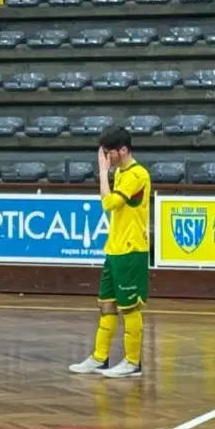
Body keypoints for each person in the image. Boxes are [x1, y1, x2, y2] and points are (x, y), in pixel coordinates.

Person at [69, 127, 150, 378]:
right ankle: (99, 357)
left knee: (129, 308)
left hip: (131, 250)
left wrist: (103, 173)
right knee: (106, 304)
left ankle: (133, 362)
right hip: (114, 248)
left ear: (122, 150)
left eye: (108, 153)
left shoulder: (137, 174)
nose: (106, 158)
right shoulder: (122, 173)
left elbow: (108, 203)